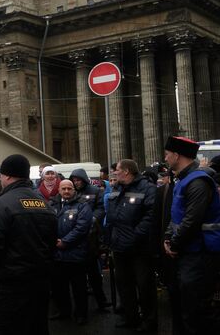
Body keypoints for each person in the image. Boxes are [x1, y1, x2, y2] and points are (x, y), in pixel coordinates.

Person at [0, 154, 57, 335]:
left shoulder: (1, 204)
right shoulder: (44, 203)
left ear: (7, 176)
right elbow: (52, 243)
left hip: (12, 283)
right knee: (37, 326)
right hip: (40, 281)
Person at [163, 136, 220, 335]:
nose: (166, 158)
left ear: (177, 155)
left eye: (168, 154)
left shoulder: (198, 181)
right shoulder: (184, 179)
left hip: (200, 254)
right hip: (187, 252)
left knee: (197, 312)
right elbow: (175, 215)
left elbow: (192, 221)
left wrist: (174, 244)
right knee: (184, 307)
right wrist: (167, 239)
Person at [106, 159, 157, 331]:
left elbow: (150, 217)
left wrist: (134, 236)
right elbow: (113, 217)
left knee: (144, 286)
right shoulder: (118, 188)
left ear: (127, 171)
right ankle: (131, 317)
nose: (114, 173)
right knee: (124, 285)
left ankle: (149, 321)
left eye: (117, 170)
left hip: (139, 248)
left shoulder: (147, 188)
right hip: (119, 246)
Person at [50, 179, 93, 326]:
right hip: (56, 255)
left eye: (69, 188)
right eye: (64, 189)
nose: (67, 191)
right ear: (59, 190)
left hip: (75, 254)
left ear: (74, 190)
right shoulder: (52, 206)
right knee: (59, 287)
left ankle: (81, 314)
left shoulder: (82, 206)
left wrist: (65, 242)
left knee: (79, 288)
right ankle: (64, 311)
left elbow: (82, 228)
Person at [69, 167, 110, 311]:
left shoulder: (95, 191)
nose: (76, 182)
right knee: (79, 277)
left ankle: (102, 302)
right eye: (74, 180)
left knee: (95, 274)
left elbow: (101, 209)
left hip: (92, 238)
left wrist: (92, 219)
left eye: (78, 180)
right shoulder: (73, 193)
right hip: (78, 237)